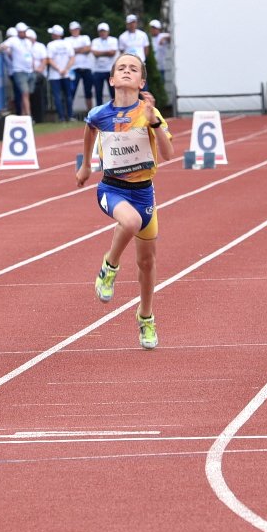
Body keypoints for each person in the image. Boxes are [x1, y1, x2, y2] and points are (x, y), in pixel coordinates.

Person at [77, 52, 175, 350]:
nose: (127, 71)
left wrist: (153, 124)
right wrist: (85, 165)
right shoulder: (98, 114)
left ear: (141, 81)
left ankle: (145, 317)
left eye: (134, 69)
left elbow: (169, 155)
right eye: (122, 68)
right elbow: (89, 131)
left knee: (147, 262)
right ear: (112, 79)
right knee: (129, 221)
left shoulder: (149, 114)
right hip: (111, 188)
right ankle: (110, 266)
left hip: (144, 192)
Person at [46, 24, 77, 121]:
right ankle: (70, 115)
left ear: (55, 34)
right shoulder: (67, 43)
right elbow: (72, 58)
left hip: (55, 75)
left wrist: (59, 70)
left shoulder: (51, 45)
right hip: (66, 73)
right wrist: (66, 69)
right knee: (68, 95)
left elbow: (49, 59)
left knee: (57, 96)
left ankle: (61, 117)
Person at [89, 23, 119, 109]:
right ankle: (99, 112)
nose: (102, 33)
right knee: (98, 93)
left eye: (104, 31)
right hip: (98, 70)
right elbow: (95, 53)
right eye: (101, 31)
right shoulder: (95, 41)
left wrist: (100, 53)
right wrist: (107, 52)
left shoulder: (113, 40)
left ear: (108, 32)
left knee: (113, 92)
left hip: (110, 70)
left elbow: (112, 53)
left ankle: (115, 110)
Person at [67, 20, 94, 113]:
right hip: (74, 69)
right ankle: (70, 113)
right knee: (72, 91)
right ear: (70, 30)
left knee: (88, 91)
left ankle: (90, 113)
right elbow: (68, 52)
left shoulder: (85, 37)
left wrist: (74, 50)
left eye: (77, 29)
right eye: (73, 29)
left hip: (86, 67)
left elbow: (88, 49)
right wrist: (81, 49)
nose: (75, 31)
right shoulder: (67, 40)